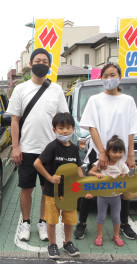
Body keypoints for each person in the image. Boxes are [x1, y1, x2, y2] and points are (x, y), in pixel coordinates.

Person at [6, 48, 69, 242]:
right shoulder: (20, 89)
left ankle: (42, 222)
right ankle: (26, 223)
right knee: (26, 188)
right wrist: (16, 147)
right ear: (31, 64)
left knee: (47, 189)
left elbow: (63, 120)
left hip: (50, 150)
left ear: (49, 65)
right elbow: (14, 121)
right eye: (37, 60)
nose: (41, 63)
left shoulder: (57, 90)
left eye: (45, 61)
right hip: (26, 149)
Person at [74, 62, 137, 240]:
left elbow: (131, 130)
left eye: (113, 75)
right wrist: (102, 152)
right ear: (101, 78)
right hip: (99, 153)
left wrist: (131, 155)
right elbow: (91, 127)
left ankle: (124, 224)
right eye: (106, 76)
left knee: (123, 189)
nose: (109, 79)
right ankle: (82, 224)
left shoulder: (128, 101)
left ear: (120, 77)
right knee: (89, 188)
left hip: (121, 154)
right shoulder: (95, 100)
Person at [34, 112, 82, 259]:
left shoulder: (74, 149)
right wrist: (50, 177)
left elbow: (78, 168)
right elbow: (37, 163)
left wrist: (84, 186)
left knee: (69, 220)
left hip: (70, 193)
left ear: (73, 128)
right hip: (51, 192)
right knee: (52, 220)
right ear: (54, 130)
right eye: (61, 128)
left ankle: (68, 243)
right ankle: (52, 245)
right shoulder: (52, 147)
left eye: (68, 127)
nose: (65, 131)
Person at [88, 135, 129, 247]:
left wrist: (122, 177)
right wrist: (97, 174)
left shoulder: (122, 165)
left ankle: (116, 235)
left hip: (116, 197)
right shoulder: (101, 162)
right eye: (114, 152)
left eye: (121, 152)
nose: (118, 155)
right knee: (101, 216)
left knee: (116, 217)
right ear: (107, 152)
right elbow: (90, 173)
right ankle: (99, 236)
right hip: (102, 196)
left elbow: (126, 177)